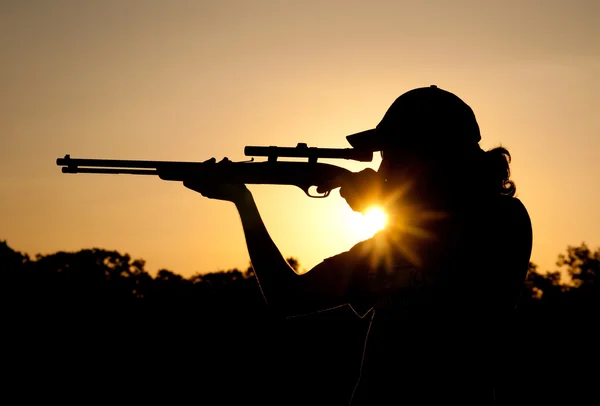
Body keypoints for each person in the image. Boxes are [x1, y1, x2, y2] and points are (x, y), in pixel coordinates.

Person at [184, 85, 533, 404]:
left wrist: (385, 202)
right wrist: (243, 203)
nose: (383, 166)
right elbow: (287, 297)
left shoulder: (501, 220)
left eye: (392, 155)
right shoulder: (389, 245)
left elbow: (454, 254)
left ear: (428, 157)